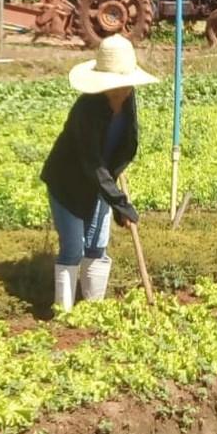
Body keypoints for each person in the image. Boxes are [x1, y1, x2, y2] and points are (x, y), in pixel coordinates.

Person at [41, 34, 159, 312]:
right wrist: (119, 201)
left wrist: (115, 193)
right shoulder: (86, 110)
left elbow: (127, 143)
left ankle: (93, 310)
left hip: (101, 180)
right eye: (116, 87)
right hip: (68, 183)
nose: (123, 92)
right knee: (73, 248)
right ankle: (64, 313)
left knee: (97, 245)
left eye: (126, 86)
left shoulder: (129, 100)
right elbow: (91, 161)